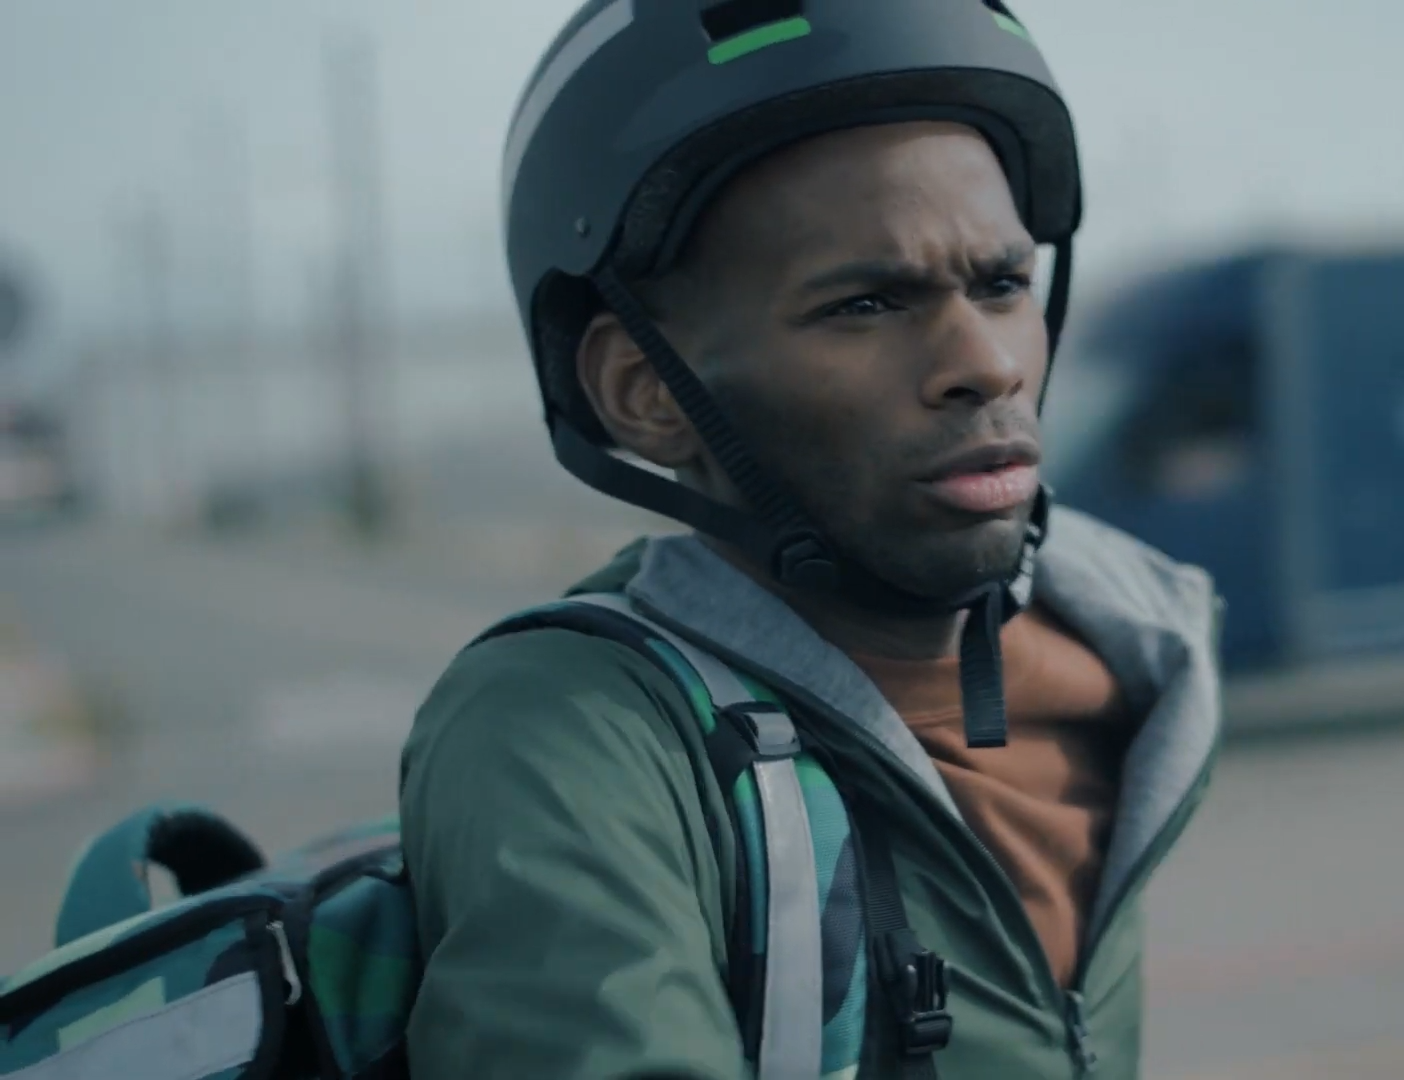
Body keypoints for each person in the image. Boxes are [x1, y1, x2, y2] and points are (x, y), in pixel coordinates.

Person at [398, 1, 1224, 1077]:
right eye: (866, 304)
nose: (987, 364)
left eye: (1002, 284)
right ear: (646, 391)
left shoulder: (1136, 649)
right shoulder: (570, 729)